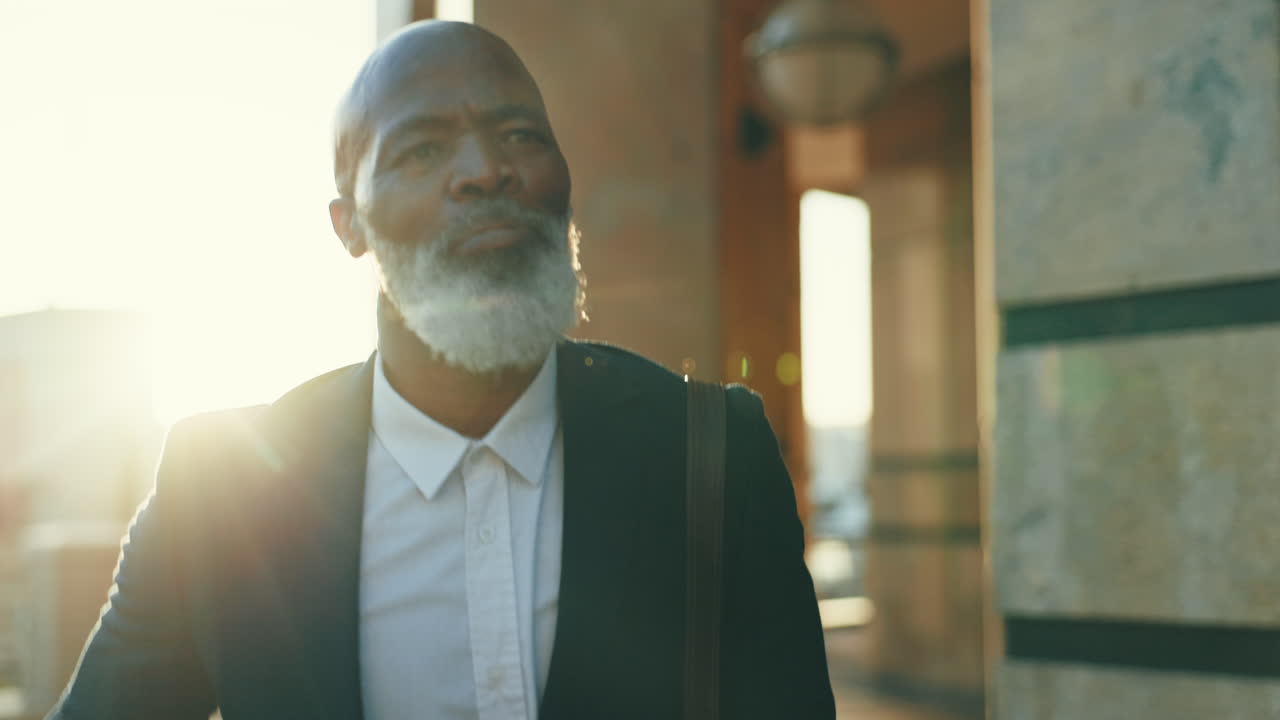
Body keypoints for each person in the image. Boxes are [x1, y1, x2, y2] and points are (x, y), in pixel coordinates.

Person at [50, 20, 834, 720]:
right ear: (348, 225)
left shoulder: (712, 452)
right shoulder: (219, 492)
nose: (485, 171)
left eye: (521, 136)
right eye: (422, 149)